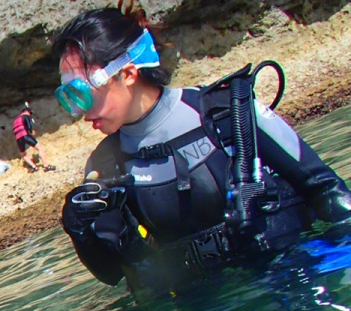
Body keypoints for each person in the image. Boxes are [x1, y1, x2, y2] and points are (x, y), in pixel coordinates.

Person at [53, 5, 351, 296]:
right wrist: (78, 228)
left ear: (128, 74)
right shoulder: (105, 164)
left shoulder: (227, 114)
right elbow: (113, 273)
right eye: (68, 98)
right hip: (204, 305)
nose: (80, 112)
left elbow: (327, 191)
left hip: (288, 279)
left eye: (83, 93)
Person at [13, 103, 55, 173]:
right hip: (25, 135)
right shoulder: (26, 115)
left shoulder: (16, 120)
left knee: (23, 154)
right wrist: (31, 131)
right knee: (40, 148)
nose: (30, 115)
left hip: (18, 138)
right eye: (30, 114)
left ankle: (35, 167)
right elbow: (29, 126)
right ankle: (46, 166)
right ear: (27, 112)